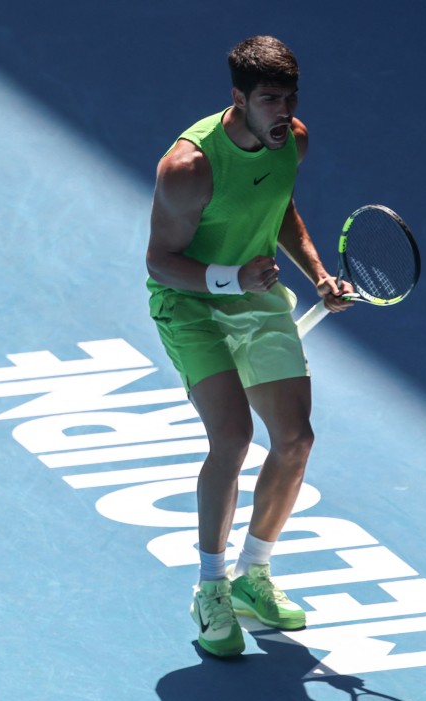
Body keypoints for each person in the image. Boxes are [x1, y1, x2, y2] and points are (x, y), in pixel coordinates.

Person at [145, 35, 353, 657]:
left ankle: (253, 577)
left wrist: (316, 272)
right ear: (238, 98)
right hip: (193, 305)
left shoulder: (293, 138)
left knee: (296, 439)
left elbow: (279, 205)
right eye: (269, 100)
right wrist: (228, 279)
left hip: (257, 296)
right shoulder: (188, 168)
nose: (283, 113)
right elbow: (160, 262)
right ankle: (211, 587)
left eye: (289, 98)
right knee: (233, 437)